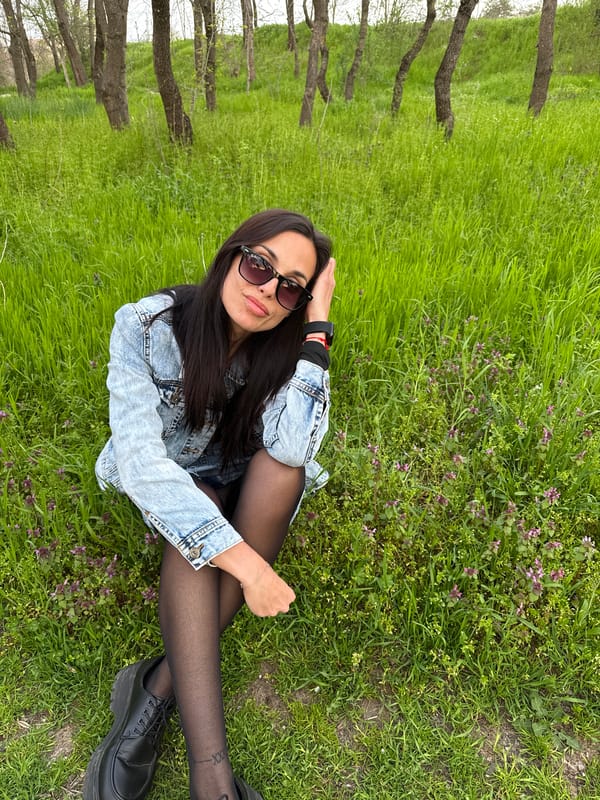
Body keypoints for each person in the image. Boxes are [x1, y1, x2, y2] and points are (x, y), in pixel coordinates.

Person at [83, 209, 336, 800]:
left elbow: (293, 447)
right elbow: (144, 465)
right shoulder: (147, 326)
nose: (267, 291)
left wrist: (317, 329)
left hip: (240, 473)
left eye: (291, 287)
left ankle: (157, 686)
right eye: (259, 266)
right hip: (175, 474)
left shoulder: (284, 345)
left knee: (284, 474)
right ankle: (212, 774)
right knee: (193, 497)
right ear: (232, 255)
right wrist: (248, 566)